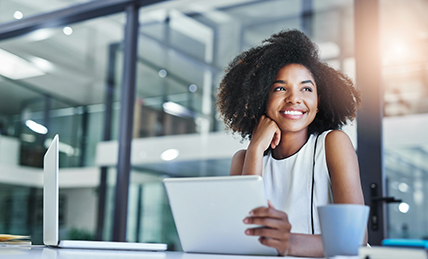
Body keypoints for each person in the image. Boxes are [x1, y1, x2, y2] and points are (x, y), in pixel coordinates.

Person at [216, 29, 365, 257]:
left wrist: (289, 243)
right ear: (261, 98)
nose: (294, 98)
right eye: (280, 88)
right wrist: (255, 149)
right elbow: (244, 237)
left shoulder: (332, 144)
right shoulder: (243, 159)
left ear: (318, 100)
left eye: (306, 88)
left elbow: (356, 238)